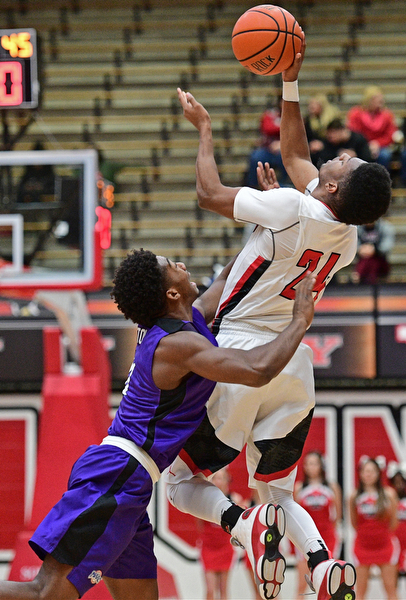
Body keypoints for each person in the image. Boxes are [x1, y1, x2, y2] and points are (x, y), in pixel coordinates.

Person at [166, 36, 392, 600]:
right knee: (279, 493)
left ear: (334, 185)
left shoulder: (291, 208)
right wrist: (289, 80)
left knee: (179, 482)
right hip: (294, 367)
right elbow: (296, 159)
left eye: (341, 160)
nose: (333, 157)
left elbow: (207, 193)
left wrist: (205, 129)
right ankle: (318, 563)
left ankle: (239, 526)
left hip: (241, 358)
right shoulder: (343, 235)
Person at [0, 249, 315, 600]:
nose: (182, 264)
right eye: (171, 266)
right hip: (116, 475)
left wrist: (272, 225)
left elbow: (229, 278)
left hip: (132, 481)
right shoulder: (174, 345)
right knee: (46, 592)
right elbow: (257, 369)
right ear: (171, 293)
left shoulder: (187, 321)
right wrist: (299, 321)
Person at [349, 456, 400, 600]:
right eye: (365, 471)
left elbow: (394, 523)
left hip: (385, 547)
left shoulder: (389, 494)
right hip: (362, 547)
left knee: (390, 589)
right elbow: (354, 523)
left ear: (378, 473)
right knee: (360, 591)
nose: (368, 474)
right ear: (360, 473)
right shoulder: (354, 496)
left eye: (372, 471)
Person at [294, 451, 342, 600]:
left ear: (321, 465)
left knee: (329, 582)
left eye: (314, 463)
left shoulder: (332, 487)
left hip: (327, 538)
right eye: (308, 463)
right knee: (302, 584)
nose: (311, 467)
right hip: (305, 540)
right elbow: (295, 517)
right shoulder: (299, 487)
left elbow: (338, 515)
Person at [196, 467, 241, 600]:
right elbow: (199, 524)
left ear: (227, 480)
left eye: (220, 478)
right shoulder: (203, 500)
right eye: (215, 478)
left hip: (225, 548)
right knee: (210, 590)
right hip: (208, 548)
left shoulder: (235, 500)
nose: (217, 481)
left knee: (223, 591)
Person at [347, 85, 406, 184]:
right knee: (360, 155)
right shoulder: (356, 113)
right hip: (361, 145)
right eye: (376, 100)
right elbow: (354, 133)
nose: (380, 102)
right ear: (368, 100)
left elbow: (391, 134)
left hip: (382, 146)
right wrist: (367, 145)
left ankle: (382, 183)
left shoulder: (387, 115)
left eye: (381, 100)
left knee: (385, 156)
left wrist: (377, 144)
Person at [245, 97, 288, 187]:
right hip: (267, 149)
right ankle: (253, 186)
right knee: (256, 158)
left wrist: (282, 144)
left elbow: (294, 132)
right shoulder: (270, 114)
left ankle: (286, 185)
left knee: (287, 160)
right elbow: (267, 128)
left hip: (285, 150)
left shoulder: (294, 117)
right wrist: (283, 127)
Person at [353, 218, 395, 284]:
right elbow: (353, 242)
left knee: (372, 263)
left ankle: (360, 277)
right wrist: (361, 249)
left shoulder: (385, 227)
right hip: (363, 258)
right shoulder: (358, 228)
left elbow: (388, 245)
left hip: (380, 259)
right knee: (366, 261)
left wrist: (374, 249)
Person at [303, 94, 341, 164]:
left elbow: (337, 138)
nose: (311, 107)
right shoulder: (308, 120)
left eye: (314, 104)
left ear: (322, 105)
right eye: (310, 104)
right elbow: (305, 137)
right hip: (314, 150)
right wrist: (310, 144)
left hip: (332, 147)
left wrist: (323, 144)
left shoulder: (333, 119)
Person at [387, 462, 406, 587]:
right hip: (394, 543)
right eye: (396, 482)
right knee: (392, 583)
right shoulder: (389, 499)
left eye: (402, 481)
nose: (399, 485)